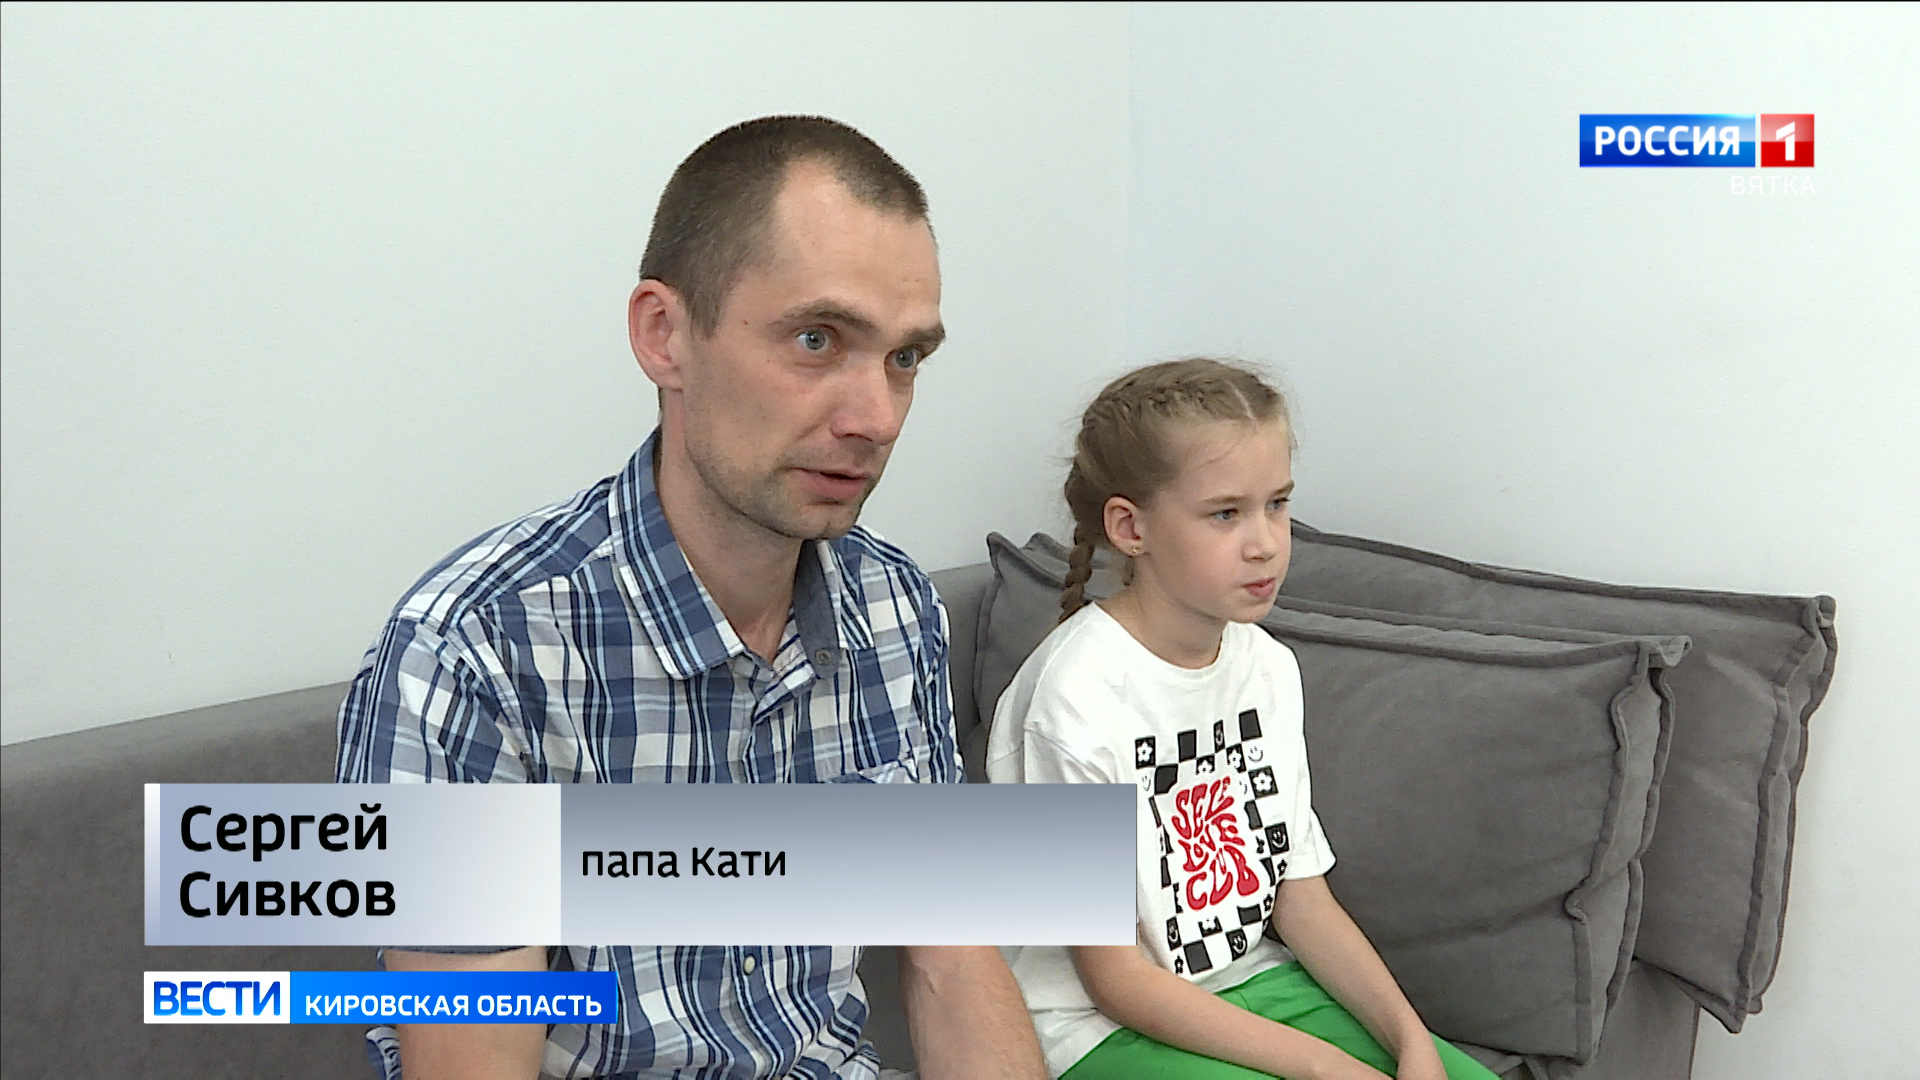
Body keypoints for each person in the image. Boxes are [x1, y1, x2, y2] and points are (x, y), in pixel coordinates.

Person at [337, 115, 1047, 1080]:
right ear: (664, 335)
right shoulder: (475, 653)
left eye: (905, 358)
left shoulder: (896, 608)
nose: (876, 418)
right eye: (816, 339)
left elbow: (951, 960)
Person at [984, 359, 1498, 1080]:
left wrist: (1412, 1043)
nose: (1266, 543)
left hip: (1255, 983)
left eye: (1277, 504)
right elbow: (1115, 980)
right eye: (1225, 513)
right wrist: (1324, 1068)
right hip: (1095, 1029)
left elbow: (1300, 894)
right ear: (1130, 527)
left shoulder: (1268, 667)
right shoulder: (1073, 698)